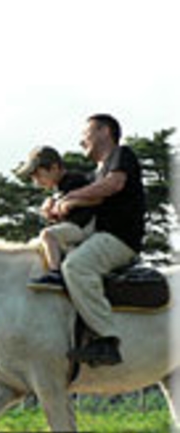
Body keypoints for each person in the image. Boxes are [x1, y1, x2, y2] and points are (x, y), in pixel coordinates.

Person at [56, 114, 146, 367]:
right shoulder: (95, 174)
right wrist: (55, 203)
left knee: (76, 266)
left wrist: (69, 198)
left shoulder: (121, 155)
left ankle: (107, 341)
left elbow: (113, 185)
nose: (81, 140)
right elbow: (81, 193)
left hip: (119, 239)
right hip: (100, 238)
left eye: (85, 133)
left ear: (104, 131)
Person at [14, 146, 95, 290]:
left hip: (84, 228)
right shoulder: (59, 188)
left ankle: (55, 272)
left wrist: (54, 204)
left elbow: (76, 202)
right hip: (75, 227)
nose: (36, 182)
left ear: (54, 168)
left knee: (47, 235)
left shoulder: (74, 180)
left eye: (38, 175)